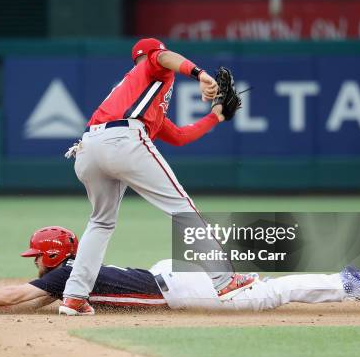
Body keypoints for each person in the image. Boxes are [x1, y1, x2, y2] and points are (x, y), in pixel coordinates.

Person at [60, 37, 253, 316]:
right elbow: (164, 57)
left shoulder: (139, 95)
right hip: (123, 139)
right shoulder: (155, 64)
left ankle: (75, 296)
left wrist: (217, 116)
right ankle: (224, 280)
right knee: (181, 208)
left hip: (88, 147)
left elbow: (179, 136)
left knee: (100, 222)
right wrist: (199, 74)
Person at [0, 226, 360, 313]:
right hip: (165, 274)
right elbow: (35, 296)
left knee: (262, 296)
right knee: (249, 288)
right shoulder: (67, 275)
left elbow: (21, 293)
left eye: (36, 254)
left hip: (176, 286)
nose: (34, 262)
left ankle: (340, 281)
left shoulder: (62, 276)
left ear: (52, 256)